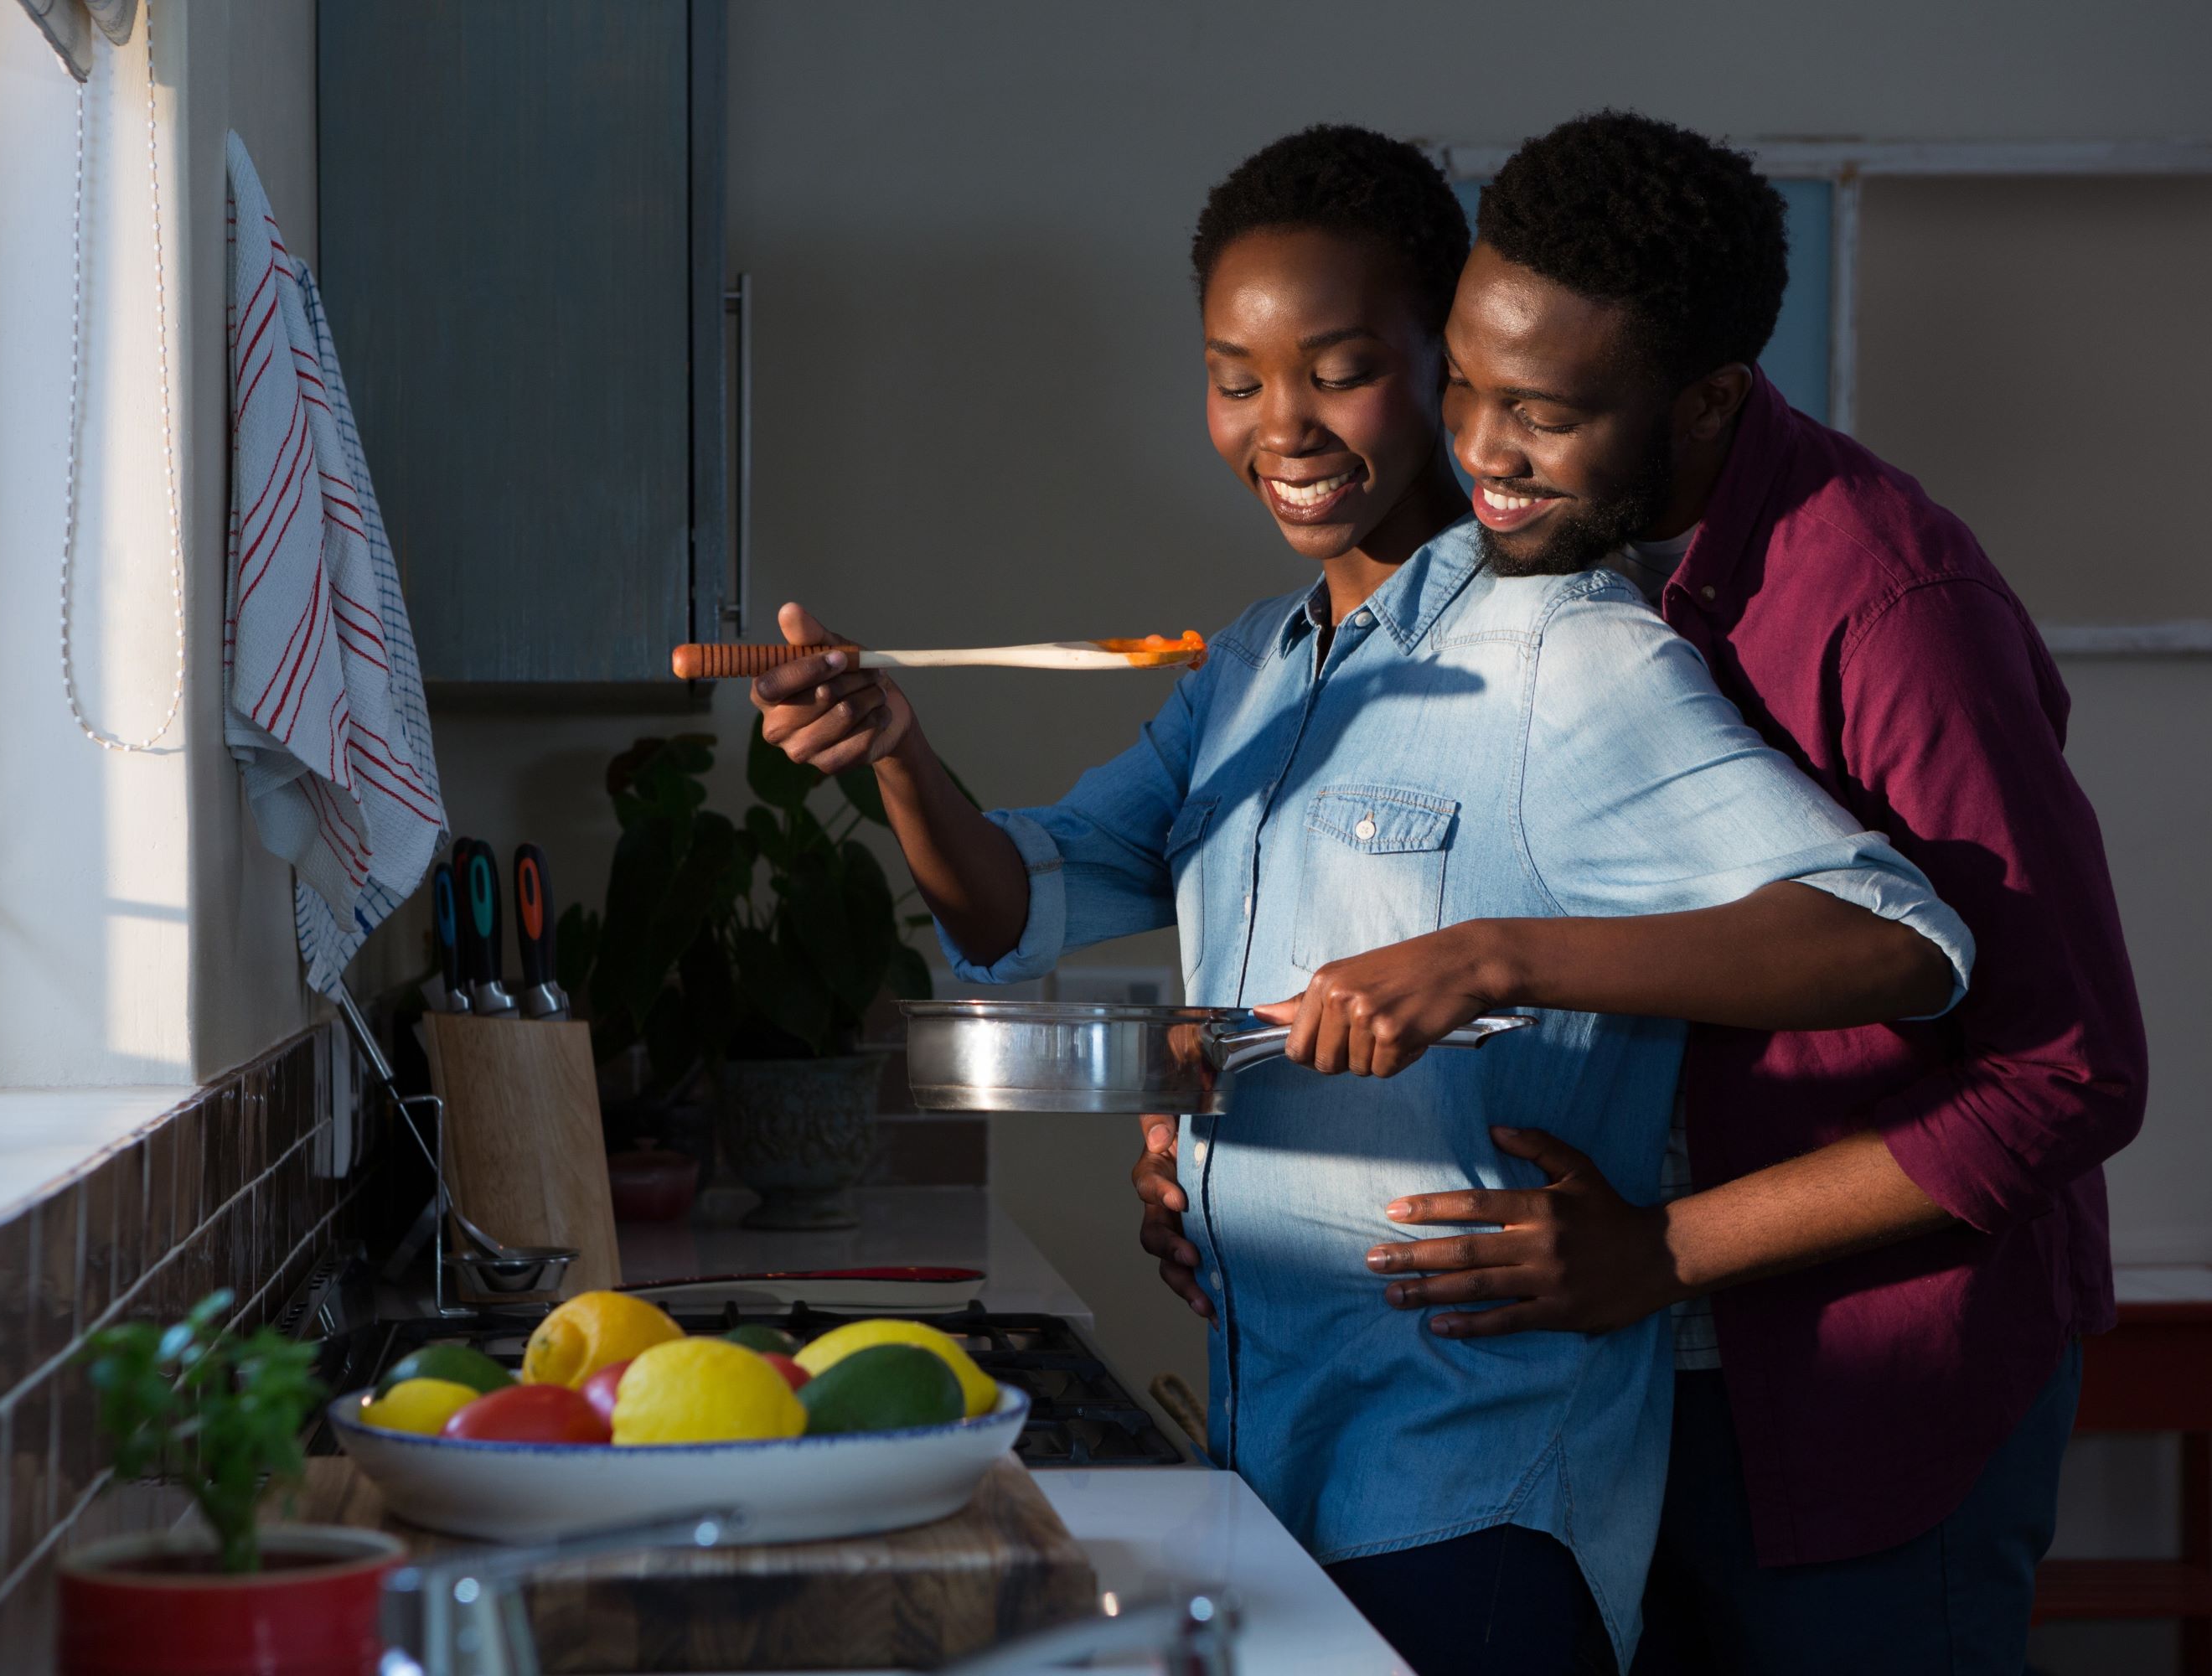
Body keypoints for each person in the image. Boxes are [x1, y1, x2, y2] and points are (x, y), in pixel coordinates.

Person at [756, 126, 1972, 1674]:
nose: (1284, 425)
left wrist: (1492, 956)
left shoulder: (1571, 656)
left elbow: (1900, 937)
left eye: (1339, 368)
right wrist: (898, 754)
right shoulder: (1256, 663)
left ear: (1445, 370)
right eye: (1237, 376)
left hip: (1477, 1484)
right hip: (1282, 1457)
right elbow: (1018, 908)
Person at [1140, 111, 2147, 1675]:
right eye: (1464, 384)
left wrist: (1664, 1251)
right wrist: (1240, 1150)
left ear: (1711, 400)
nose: (1478, 449)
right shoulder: (1536, 561)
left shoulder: (1892, 613)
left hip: (1855, 1395)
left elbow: (2069, 1077)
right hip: (1615, 1394)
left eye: (1539, 411)